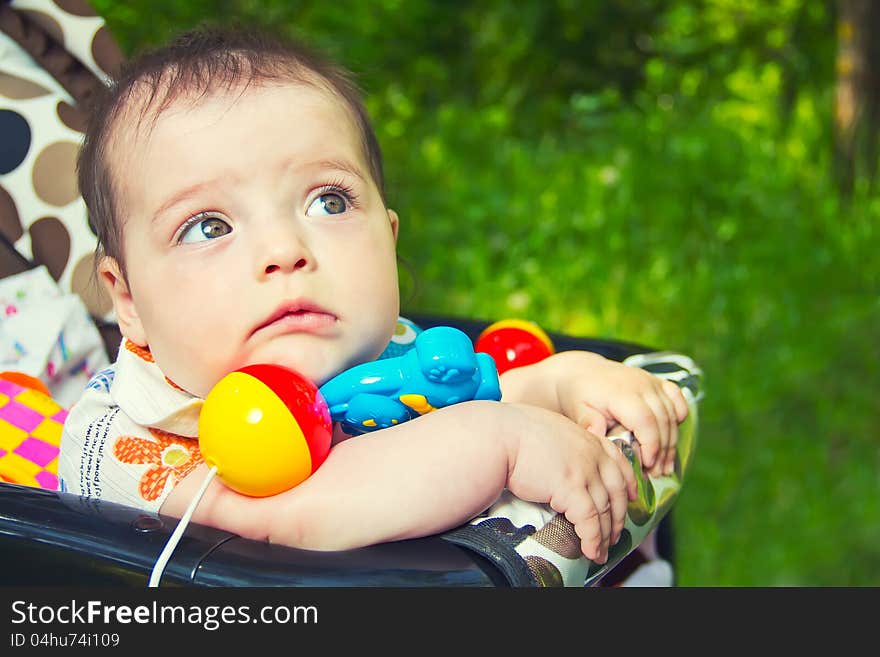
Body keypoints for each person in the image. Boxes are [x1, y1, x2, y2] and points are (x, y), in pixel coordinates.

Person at [58, 24, 689, 566]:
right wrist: (501, 441)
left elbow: (467, 394)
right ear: (129, 300)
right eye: (208, 226)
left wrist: (558, 386)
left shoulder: (381, 356)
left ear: (388, 238)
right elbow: (290, 522)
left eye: (327, 201)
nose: (285, 249)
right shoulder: (126, 433)